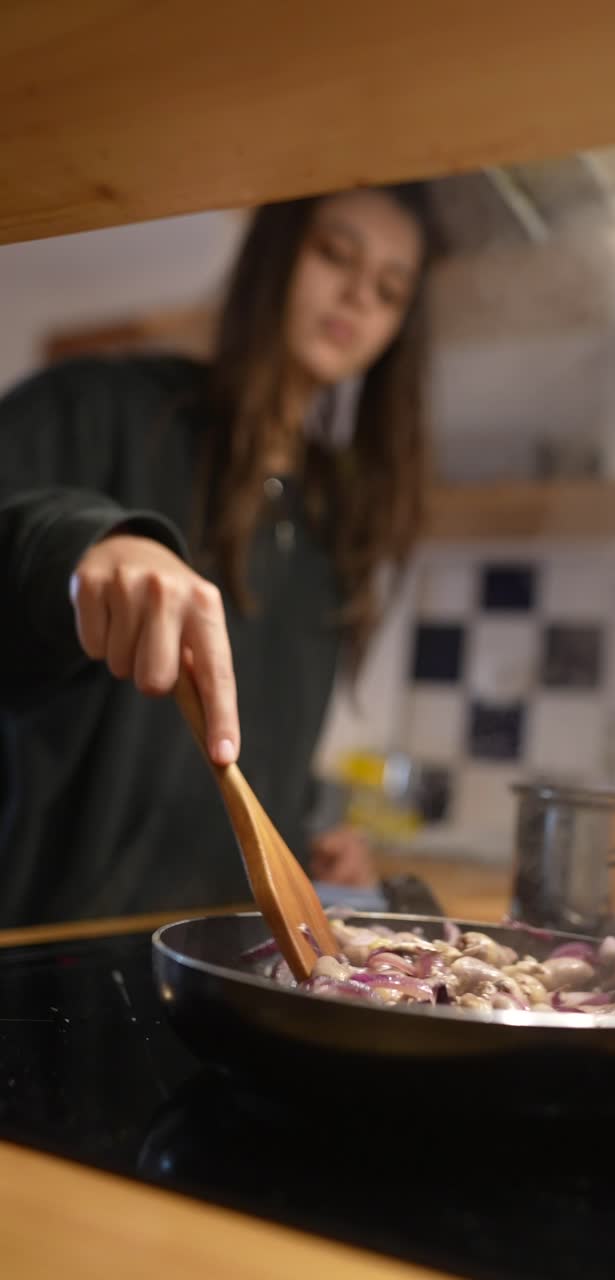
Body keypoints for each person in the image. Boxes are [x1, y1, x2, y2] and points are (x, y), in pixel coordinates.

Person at [0, 184, 438, 927]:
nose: (358, 296)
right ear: (272, 255)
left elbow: (258, 749)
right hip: (52, 951)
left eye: (390, 291)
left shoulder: (336, 513)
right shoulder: (96, 407)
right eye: (335, 254)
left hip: (234, 966)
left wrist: (301, 840)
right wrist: (87, 545)